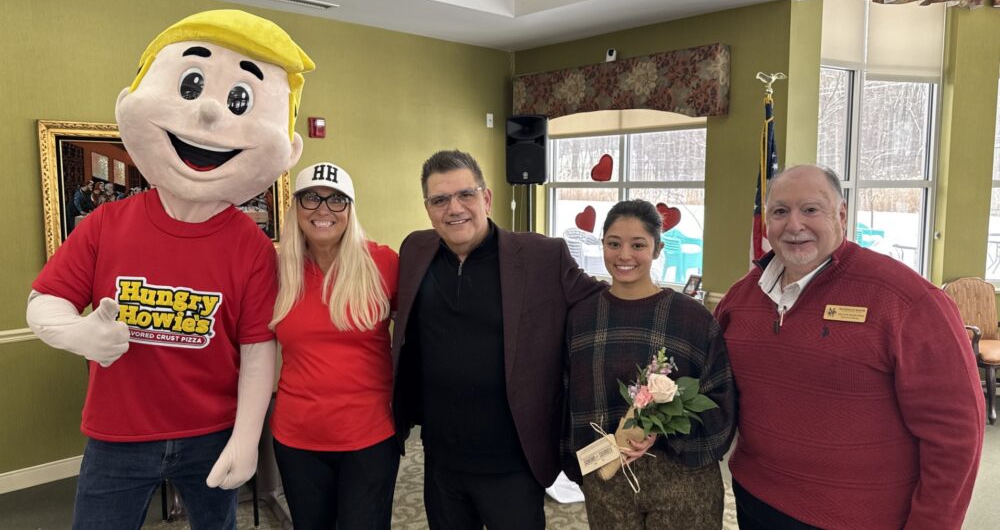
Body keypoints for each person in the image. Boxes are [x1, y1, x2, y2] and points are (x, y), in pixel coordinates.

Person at [26, 10, 313, 529]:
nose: (207, 114)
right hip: (117, 435)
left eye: (238, 101)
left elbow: (257, 349)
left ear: (287, 148)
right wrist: (78, 332)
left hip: (212, 432)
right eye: (192, 86)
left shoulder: (250, 247)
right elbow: (44, 301)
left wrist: (248, 438)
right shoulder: (105, 224)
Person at [714, 165, 984, 530]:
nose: (794, 225)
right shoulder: (741, 297)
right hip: (755, 501)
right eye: (780, 211)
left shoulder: (907, 300)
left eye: (810, 209)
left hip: (859, 517)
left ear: (841, 214)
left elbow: (956, 434)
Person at [391, 149, 604, 530]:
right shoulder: (415, 250)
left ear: (486, 198)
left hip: (513, 462)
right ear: (428, 208)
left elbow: (601, 306)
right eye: (440, 200)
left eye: (465, 195)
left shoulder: (543, 255)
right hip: (441, 459)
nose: (454, 208)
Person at [564, 199, 735, 529]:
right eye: (614, 244)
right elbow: (567, 395)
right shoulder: (582, 318)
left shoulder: (692, 320)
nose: (624, 255)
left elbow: (720, 397)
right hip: (608, 475)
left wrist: (665, 431)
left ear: (657, 249)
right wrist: (577, 463)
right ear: (602, 245)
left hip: (683, 477)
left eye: (638, 245)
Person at [269, 162, 400, 530]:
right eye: (311, 198)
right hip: (297, 440)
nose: (323, 209)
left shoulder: (383, 263)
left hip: (370, 437)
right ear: (296, 207)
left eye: (336, 200)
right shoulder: (277, 271)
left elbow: (430, 331)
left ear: (350, 210)